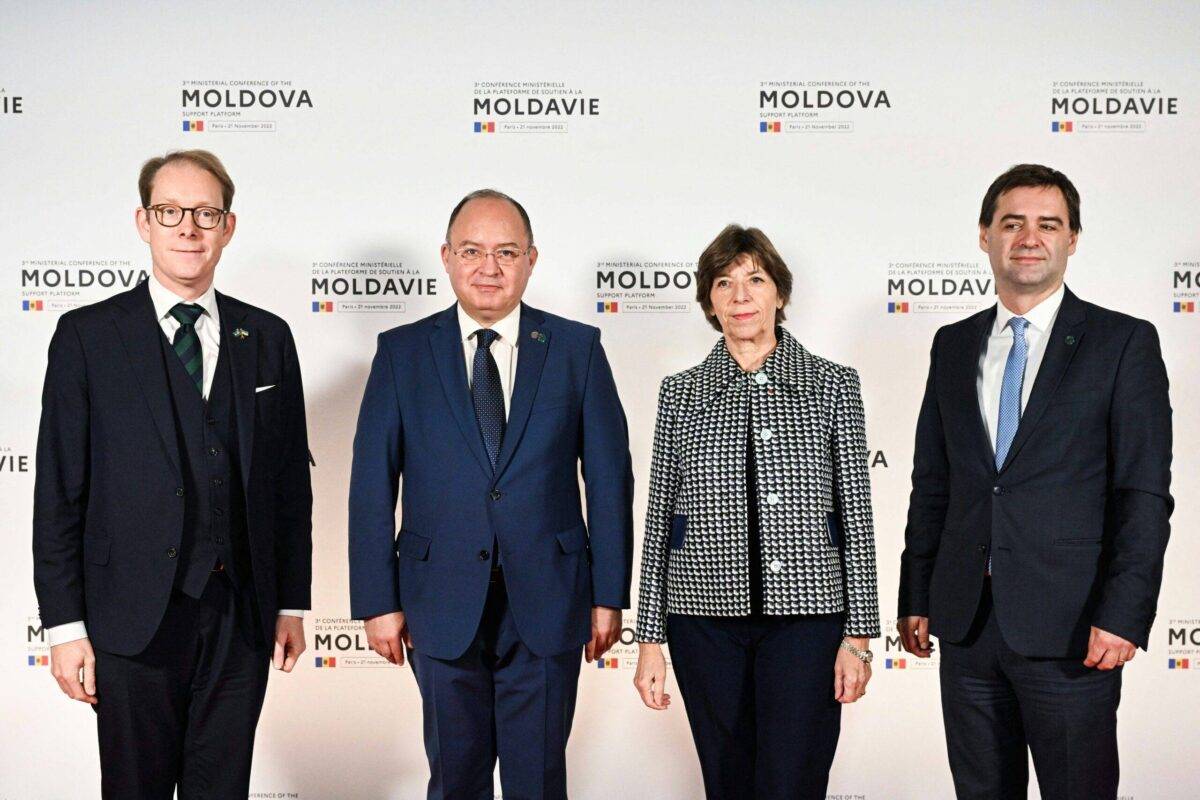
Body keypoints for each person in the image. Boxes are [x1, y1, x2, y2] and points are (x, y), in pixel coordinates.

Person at [33, 149, 313, 799]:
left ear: (228, 227)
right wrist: (65, 627)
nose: (188, 227)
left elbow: (288, 487)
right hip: (129, 617)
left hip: (241, 616)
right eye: (170, 212)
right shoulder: (88, 337)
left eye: (205, 213)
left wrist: (291, 600)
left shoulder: (267, 336)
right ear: (143, 222)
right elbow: (59, 491)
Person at [896, 163, 1173, 800]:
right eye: (1012, 222)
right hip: (966, 625)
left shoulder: (1123, 342)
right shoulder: (953, 344)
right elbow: (932, 482)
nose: (1029, 237)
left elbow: (1143, 495)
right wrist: (918, 593)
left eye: (1048, 224)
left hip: (1075, 629)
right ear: (985, 235)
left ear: (1072, 239)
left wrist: (1125, 613)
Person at [348, 189, 634, 799]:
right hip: (439, 601)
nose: (489, 267)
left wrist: (609, 595)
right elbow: (371, 484)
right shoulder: (401, 353)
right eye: (473, 251)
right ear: (446, 257)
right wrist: (377, 600)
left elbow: (610, 480)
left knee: (538, 783)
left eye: (506, 252)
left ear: (532, 260)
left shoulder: (577, 349)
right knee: (455, 781)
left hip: (551, 601)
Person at [633, 224, 881, 800]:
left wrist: (860, 637)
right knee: (726, 782)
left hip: (808, 621)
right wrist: (649, 638)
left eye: (755, 279)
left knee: (792, 782)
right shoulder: (681, 393)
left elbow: (856, 521)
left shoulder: (832, 386)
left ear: (779, 294)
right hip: (702, 623)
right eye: (724, 283)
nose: (740, 295)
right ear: (710, 302)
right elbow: (658, 520)